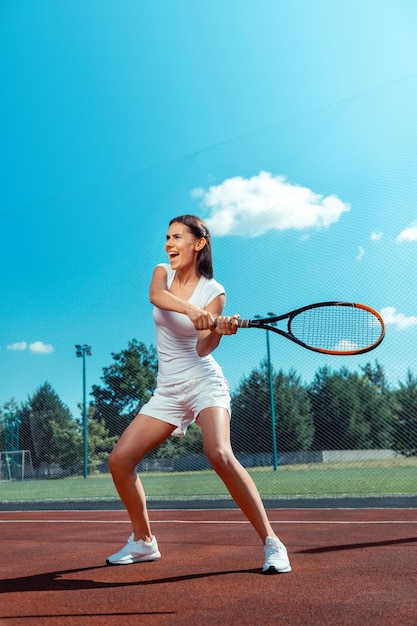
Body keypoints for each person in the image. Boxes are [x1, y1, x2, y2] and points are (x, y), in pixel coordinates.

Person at [106, 214, 291, 575]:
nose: (168, 244)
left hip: (204, 382)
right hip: (168, 390)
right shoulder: (162, 273)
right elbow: (156, 297)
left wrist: (220, 329)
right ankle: (144, 542)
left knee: (219, 453)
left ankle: (273, 543)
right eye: (167, 237)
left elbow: (204, 349)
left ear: (199, 243)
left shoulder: (215, 291)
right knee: (119, 461)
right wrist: (193, 311)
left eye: (177, 237)